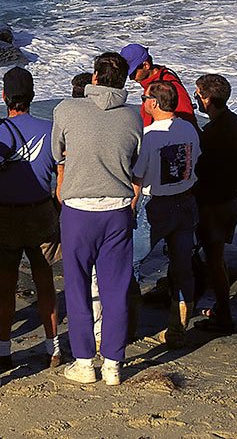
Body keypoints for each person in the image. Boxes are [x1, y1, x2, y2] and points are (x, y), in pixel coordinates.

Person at [52, 52, 142, 386]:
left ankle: (85, 362)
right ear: (123, 82)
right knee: (115, 289)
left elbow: (55, 153)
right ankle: (114, 365)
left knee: (77, 287)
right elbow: (136, 161)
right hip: (117, 209)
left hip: (78, 209)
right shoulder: (133, 118)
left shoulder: (66, 109)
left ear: (94, 77)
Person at [0, 67, 61, 370]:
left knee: (6, 283)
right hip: (40, 210)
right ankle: (53, 347)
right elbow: (60, 171)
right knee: (44, 280)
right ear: (33, 96)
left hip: (4, 214)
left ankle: (3, 348)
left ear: (4, 96)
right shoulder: (50, 129)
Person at [131, 80, 201, 348]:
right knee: (183, 266)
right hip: (185, 200)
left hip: (156, 203)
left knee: (132, 262)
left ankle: (128, 325)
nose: (143, 101)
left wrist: (132, 206)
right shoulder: (189, 129)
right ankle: (178, 328)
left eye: (145, 97)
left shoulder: (149, 136)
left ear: (154, 103)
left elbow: (138, 177)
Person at [191, 73, 237, 334]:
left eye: (198, 94)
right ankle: (220, 306)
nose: (195, 98)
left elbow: (201, 166)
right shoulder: (233, 121)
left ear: (207, 98)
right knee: (216, 254)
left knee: (213, 257)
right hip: (232, 197)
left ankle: (224, 312)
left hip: (216, 202)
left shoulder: (213, 132)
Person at [119, 43, 196, 127]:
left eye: (133, 73)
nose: (131, 78)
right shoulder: (150, 83)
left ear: (146, 65)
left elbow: (188, 122)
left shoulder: (169, 86)